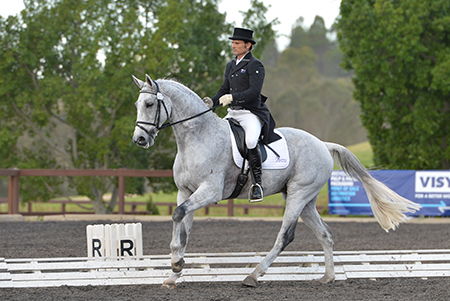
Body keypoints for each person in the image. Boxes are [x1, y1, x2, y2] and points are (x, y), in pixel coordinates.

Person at [204, 27, 281, 203]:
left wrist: (233, 97)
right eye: (232, 43)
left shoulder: (255, 65)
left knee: (251, 141)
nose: (233, 46)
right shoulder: (231, 65)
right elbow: (224, 89)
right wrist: (211, 103)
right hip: (233, 113)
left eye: (237, 43)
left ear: (248, 45)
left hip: (250, 113)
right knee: (217, 138)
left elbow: (254, 92)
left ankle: (257, 185)